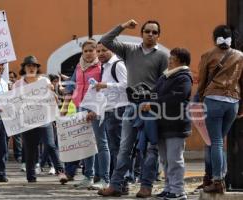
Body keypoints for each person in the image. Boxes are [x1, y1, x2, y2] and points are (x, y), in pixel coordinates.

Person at [98, 19, 168, 197]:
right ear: (141, 33)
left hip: (151, 107)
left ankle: (146, 186)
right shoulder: (129, 50)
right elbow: (105, 41)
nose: (150, 34)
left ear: (158, 35)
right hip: (132, 105)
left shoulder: (162, 56)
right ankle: (116, 185)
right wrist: (122, 26)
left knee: (151, 148)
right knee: (124, 148)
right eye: (147, 31)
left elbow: (163, 84)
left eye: (154, 32)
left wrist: (154, 103)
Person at [197, 25, 243, 194]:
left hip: (213, 100)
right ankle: (217, 177)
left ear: (214, 37)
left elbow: (202, 81)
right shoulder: (240, 56)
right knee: (218, 141)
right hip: (233, 101)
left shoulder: (208, 54)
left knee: (215, 141)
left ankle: (217, 181)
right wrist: (241, 107)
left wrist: (202, 98)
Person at [13, 55, 65, 182]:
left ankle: (61, 172)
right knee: (30, 149)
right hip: (27, 121)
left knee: (50, 145)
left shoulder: (44, 81)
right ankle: (31, 177)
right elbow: (13, 103)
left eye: (34, 66)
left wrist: (52, 92)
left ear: (37, 68)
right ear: (24, 68)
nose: (31, 68)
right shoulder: (18, 84)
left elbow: (53, 99)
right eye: (29, 66)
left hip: (44, 119)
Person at [150, 48, 192, 200]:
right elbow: (154, 93)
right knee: (165, 160)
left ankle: (178, 191)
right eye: (170, 58)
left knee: (175, 159)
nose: (169, 61)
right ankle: (168, 188)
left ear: (181, 61)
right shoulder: (165, 77)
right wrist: (148, 100)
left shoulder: (184, 77)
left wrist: (154, 102)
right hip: (162, 124)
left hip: (177, 125)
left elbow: (177, 97)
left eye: (172, 59)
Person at [60, 39, 103, 188]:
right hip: (80, 109)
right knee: (86, 144)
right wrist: (65, 106)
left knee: (99, 143)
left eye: (92, 50)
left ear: (96, 51)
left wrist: (94, 109)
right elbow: (71, 86)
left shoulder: (101, 67)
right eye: (86, 50)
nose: (89, 53)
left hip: (95, 109)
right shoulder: (79, 66)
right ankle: (88, 176)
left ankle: (99, 176)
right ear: (82, 52)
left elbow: (104, 91)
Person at [89, 42, 127, 190]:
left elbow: (126, 84)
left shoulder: (117, 65)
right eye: (98, 51)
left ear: (112, 50)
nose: (100, 53)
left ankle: (121, 183)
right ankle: (116, 182)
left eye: (104, 50)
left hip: (119, 109)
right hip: (109, 110)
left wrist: (105, 85)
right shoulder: (106, 67)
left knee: (117, 148)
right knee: (114, 147)